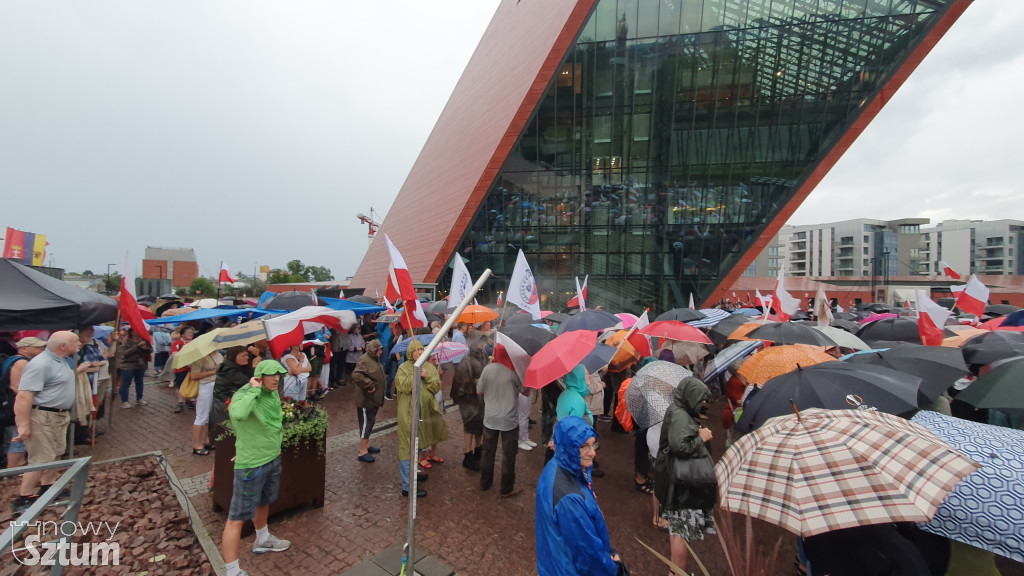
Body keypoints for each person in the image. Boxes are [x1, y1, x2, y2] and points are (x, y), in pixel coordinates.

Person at [220, 360, 291, 576]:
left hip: (271, 458)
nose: (276, 379)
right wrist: (253, 391)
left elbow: (272, 422)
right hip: (252, 465)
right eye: (271, 375)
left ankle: (262, 539)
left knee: (264, 501)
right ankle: (232, 570)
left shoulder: (273, 393)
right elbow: (238, 414)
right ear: (259, 376)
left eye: (279, 374)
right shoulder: (247, 392)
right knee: (237, 518)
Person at [535, 416, 625, 576]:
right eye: (584, 447)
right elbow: (587, 555)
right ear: (569, 448)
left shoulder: (558, 465)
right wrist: (616, 570)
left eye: (592, 445)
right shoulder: (570, 499)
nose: (593, 452)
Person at [11, 332, 88, 512]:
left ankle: (49, 487)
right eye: (75, 341)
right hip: (43, 417)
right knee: (40, 458)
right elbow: (24, 396)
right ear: (63, 346)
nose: (79, 343)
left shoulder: (60, 360)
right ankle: (25, 497)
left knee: (55, 454)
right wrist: (23, 425)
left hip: (58, 416)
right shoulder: (41, 364)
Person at [653, 377, 715, 575]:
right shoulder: (680, 415)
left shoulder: (678, 410)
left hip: (674, 479)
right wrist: (701, 438)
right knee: (681, 532)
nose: (703, 403)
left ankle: (675, 571)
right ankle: (677, 572)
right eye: (701, 399)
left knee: (678, 530)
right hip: (680, 484)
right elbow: (680, 446)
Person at [394, 340, 446, 497]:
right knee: (407, 447)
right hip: (408, 414)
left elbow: (436, 386)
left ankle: (414, 474)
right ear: (411, 353)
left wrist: (428, 376)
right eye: (417, 350)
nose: (421, 352)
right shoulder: (403, 368)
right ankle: (407, 486)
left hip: (424, 414)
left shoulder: (428, 366)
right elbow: (403, 386)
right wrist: (417, 375)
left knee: (419, 444)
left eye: (423, 349)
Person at [477, 347, 524, 498]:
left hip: (490, 418)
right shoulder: (513, 373)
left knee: (488, 452)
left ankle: (485, 482)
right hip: (509, 420)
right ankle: (506, 488)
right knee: (508, 455)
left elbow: (479, 391)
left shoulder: (487, 370)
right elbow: (526, 391)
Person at [2, 337, 46, 469]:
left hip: (12, 404)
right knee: (18, 438)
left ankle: (15, 466)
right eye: (38, 347)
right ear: (24, 348)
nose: (42, 349)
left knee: (14, 437)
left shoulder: (14, 360)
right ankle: (12, 470)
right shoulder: (21, 362)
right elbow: (17, 387)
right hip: (17, 405)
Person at [451, 339, 486, 471]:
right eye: (479, 342)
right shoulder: (466, 360)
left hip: (480, 398)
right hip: (468, 398)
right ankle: (468, 453)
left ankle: (479, 449)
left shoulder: (483, 357)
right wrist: (477, 382)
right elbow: (462, 381)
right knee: (469, 425)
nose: (481, 345)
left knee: (480, 424)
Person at [351, 339, 385, 462]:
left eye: (381, 349)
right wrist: (369, 385)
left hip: (373, 399)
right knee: (366, 424)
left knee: (370, 423)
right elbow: (356, 375)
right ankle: (362, 451)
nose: (380, 352)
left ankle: (366, 445)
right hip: (366, 399)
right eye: (378, 350)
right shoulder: (364, 360)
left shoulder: (374, 359)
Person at [211, 346, 252, 433]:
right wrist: (254, 366)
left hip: (219, 404)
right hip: (225, 406)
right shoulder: (232, 372)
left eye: (247, 355)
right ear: (233, 357)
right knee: (225, 434)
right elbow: (251, 385)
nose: (247, 357)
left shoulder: (226, 366)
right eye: (243, 356)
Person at [190, 349, 223, 455]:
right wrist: (213, 371)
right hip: (205, 386)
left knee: (210, 415)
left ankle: (207, 440)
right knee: (202, 416)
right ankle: (196, 445)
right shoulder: (200, 358)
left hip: (216, 385)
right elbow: (193, 376)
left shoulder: (218, 355)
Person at [116, 327, 152, 408]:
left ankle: (139, 398)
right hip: (128, 365)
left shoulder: (144, 340)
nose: (138, 333)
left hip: (141, 364)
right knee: (126, 383)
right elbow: (124, 353)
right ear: (131, 332)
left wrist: (145, 348)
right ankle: (124, 401)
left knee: (139, 382)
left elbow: (150, 350)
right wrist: (137, 346)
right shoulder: (126, 341)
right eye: (136, 331)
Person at [170, 326, 195, 412]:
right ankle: (180, 403)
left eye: (192, 332)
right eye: (188, 332)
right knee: (180, 385)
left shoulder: (194, 343)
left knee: (192, 384)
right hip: (181, 368)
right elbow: (175, 356)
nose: (191, 334)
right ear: (183, 334)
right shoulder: (177, 343)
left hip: (193, 368)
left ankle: (190, 400)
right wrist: (186, 363)